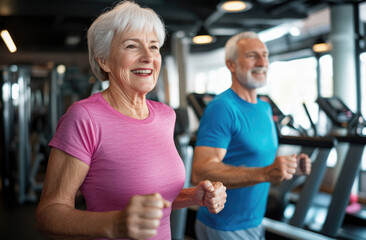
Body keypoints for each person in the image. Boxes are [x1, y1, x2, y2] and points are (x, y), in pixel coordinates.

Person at [35, 1, 227, 240]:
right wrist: (116, 223)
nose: (148, 57)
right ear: (104, 60)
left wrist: (193, 197)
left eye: (154, 47)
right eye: (132, 46)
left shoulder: (166, 115)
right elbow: (48, 213)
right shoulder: (85, 117)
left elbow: (152, 199)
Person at [191, 31, 312, 240]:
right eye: (252, 56)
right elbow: (201, 172)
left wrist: (290, 166)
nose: (262, 62)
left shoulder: (264, 108)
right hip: (224, 226)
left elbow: (256, 159)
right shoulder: (222, 108)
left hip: (255, 220)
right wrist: (266, 173)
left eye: (265, 55)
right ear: (231, 65)